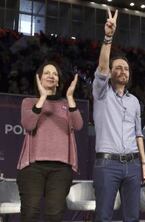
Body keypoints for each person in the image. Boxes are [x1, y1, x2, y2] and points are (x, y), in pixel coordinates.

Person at [92, 8, 145, 221]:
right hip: (107, 165)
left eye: (126, 69)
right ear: (111, 72)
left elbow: (138, 134)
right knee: (104, 217)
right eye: (118, 68)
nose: (123, 71)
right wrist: (108, 37)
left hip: (134, 165)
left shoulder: (134, 101)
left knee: (132, 217)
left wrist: (144, 163)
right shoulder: (101, 93)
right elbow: (101, 67)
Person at [17, 61, 83, 222]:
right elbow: (28, 124)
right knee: (30, 213)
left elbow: (78, 125)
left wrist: (70, 97)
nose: (51, 76)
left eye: (54, 74)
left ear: (58, 81)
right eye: (47, 73)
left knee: (54, 215)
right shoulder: (29, 102)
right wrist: (43, 97)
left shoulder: (67, 105)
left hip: (61, 169)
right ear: (39, 78)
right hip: (33, 167)